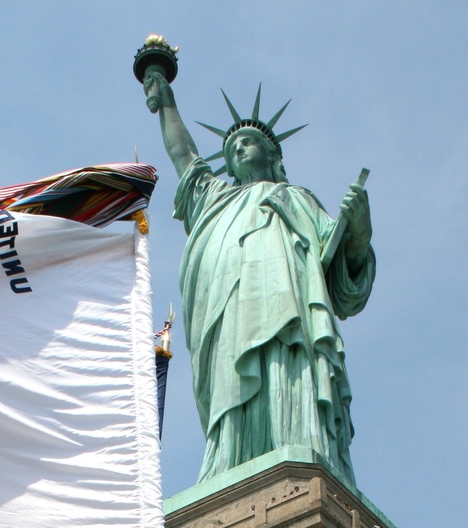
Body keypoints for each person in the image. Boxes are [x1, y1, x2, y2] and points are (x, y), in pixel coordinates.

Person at [142, 66, 374, 484]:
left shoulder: (298, 200)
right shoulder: (215, 200)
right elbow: (184, 157)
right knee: (234, 383)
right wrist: (167, 104)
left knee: (288, 374)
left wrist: (357, 234)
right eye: (232, 149)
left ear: (273, 154)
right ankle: (231, 460)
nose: (239, 152)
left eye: (248, 143)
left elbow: (343, 278)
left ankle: (300, 441)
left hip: (290, 318)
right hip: (230, 317)